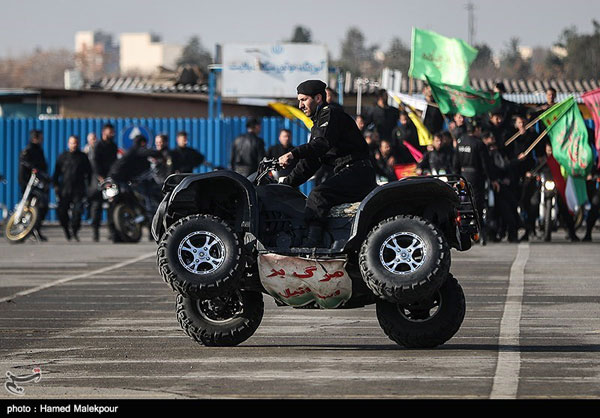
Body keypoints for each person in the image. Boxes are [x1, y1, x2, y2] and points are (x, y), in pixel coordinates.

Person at [278, 80, 377, 247]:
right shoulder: (319, 122)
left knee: (318, 195)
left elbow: (321, 144)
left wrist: (293, 153)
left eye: (304, 100)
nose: (300, 105)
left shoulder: (330, 114)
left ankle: (312, 245)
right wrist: (286, 185)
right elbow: (312, 162)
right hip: (349, 172)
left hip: (357, 173)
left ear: (318, 98)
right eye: (299, 100)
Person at [453, 119, 496, 243]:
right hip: (476, 177)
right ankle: (481, 234)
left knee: (464, 205)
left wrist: (456, 178)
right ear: (476, 129)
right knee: (477, 206)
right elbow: (485, 164)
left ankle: (462, 234)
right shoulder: (478, 144)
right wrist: (492, 178)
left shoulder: (460, 143)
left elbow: (455, 163)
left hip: (463, 176)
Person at [53, 135, 92, 241]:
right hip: (65, 189)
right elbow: (56, 173)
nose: (74, 145)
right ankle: (66, 230)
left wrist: (88, 187)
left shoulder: (82, 157)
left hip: (78, 189)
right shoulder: (62, 157)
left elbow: (89, 173)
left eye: (75, 143)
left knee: (77, 211)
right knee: (62, 212)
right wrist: (55, 186)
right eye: (72, 143)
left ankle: (74, 230)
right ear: (68, 144)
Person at [19, 129, 49, 241]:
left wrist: (46, 177)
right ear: (35, 138)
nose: (42, 139)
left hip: (38, 182)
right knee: (30, 207)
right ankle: (26, 229)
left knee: (42, 207)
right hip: (28, 183)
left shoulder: (39, 150)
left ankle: (35, 229)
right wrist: (33, 169)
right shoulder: (28, 150)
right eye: (40, 137)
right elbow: (24, 162)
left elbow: (43, 166)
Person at [90, 123, 118, 242]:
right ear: (104, 132)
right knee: (97, 206)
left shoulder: (113, 146)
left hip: (110, 180)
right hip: (98, 180)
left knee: (112, 206)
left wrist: (112, 178)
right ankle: (95, 232)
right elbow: (94, 162)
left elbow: (115, 163)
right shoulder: (98, 145)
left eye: (113, 132)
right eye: (109, 132)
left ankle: (112, 232)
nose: (112, 134)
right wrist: (100, 178)